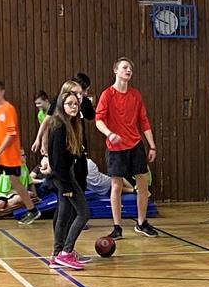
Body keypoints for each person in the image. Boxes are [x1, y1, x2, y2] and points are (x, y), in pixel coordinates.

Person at [95, 57, 158, 241]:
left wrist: (152, 145)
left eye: (130, 68)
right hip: (115, 147)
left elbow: (144, 121)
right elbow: (98, 120)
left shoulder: (135, 95)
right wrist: (109, 134)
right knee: (117, 186)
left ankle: (142, 222)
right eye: (124, 67)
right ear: (115, 70)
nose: (128, 70)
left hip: (135, 145)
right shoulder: (107, 94)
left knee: (143, 183)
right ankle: (117, 227)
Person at [41, 85, 94, 268]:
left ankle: (56, 254)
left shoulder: (72, 125)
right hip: (63, 177)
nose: (73, 107)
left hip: (68, 175)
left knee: (64, 215)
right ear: (61, 106)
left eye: (75, 104)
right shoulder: (59, 127)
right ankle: (66, 252)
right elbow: (57, 162)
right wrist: (66, 185)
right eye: (69, 104)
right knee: (83, 213)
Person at [0, 79, 36, 222]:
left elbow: (11, 134)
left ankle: (32, 210)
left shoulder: (8, 109)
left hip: (9, 155)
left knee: (15, 182)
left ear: (2, 91)